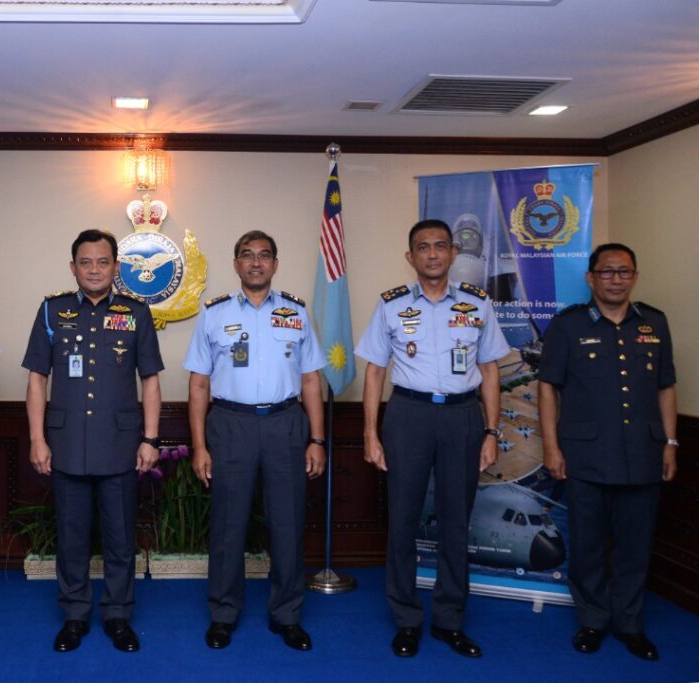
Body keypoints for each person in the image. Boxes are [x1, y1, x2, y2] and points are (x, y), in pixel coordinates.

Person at [355, 219, 509, 659]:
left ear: (453, 253)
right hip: (408, 415)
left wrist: (491, 431)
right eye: (423, 247)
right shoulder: (390, 306)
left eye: (441, 246)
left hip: (462, 416)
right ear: (411, 257)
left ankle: (449, 620)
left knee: (456, 523)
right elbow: (375, 370)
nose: (433, 254)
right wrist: (370, 432)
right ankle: (406, 619)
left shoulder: (477, 305)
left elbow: (492, 369)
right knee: (402, 521)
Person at [184, 230, 326, 652]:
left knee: (287, 524)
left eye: (265, 255)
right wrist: (199, 446)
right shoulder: (213, 314)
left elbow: (311, 380)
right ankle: (223, 615)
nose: (256, 262)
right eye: (247, 255)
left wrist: (317, 439)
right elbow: (198, 385)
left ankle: (287, 615)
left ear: (275, 264)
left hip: (285, 423)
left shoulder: (297, 313)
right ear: (236, 264)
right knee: (229, 526)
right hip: (231, 425)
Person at [22, 229, 163, 653]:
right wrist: (36, 439)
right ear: (73, 267)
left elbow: (151, 380)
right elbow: (36, 379)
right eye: (86, 262)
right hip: (66, 445)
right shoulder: (53, 310)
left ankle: (118, 616)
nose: (95, 269)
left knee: (120, 538)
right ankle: (74, 616)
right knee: (72, 538)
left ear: (116, 268)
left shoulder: (136, 312)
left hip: (119, 445)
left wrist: (151, 438)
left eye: (103, 262)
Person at [538, 243, 677, 662]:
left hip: (644, 453)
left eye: (624, 272)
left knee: (636, 545)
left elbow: (666, 387)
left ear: (634, 276)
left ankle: (630, 623)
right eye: (607, 272)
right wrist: (550, 445)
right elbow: (548, 387)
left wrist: (671, 443)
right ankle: (593, 619)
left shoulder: (654, 322)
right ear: (590, 278)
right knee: (589, 544)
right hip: (585, 456)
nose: (616, 279)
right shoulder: (567, 325)